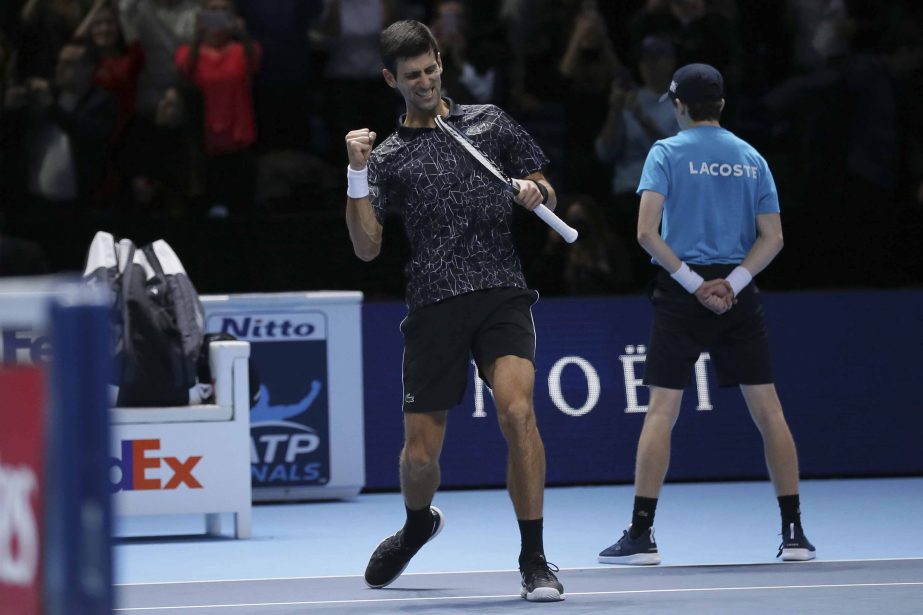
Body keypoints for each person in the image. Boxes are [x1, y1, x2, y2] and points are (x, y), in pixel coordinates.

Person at [344, 19, 564, 602]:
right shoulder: (386, 158)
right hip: (434, 303)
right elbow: (367, 247)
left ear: (441, 61)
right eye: (411, 75)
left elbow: (543, 182)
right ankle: (419, 523)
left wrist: (537, 192)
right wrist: (356, 174)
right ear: (391, 79)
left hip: (501, 290)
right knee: (420, 456)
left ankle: (534, 557)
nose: (424, 81)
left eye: (431, 69)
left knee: (518, 414)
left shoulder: (489, 122)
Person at [597, 63, 816, 566]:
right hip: (737, 292)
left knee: (661, 412)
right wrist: (733, 285)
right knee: (770, 411)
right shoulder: (750, 156)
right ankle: (794, 533)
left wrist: (696, 286)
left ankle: (642, 536)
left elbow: (646, 233)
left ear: (678, 105)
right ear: (721, 105)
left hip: (682, 289)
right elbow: (774, 237)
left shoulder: (666, 152)